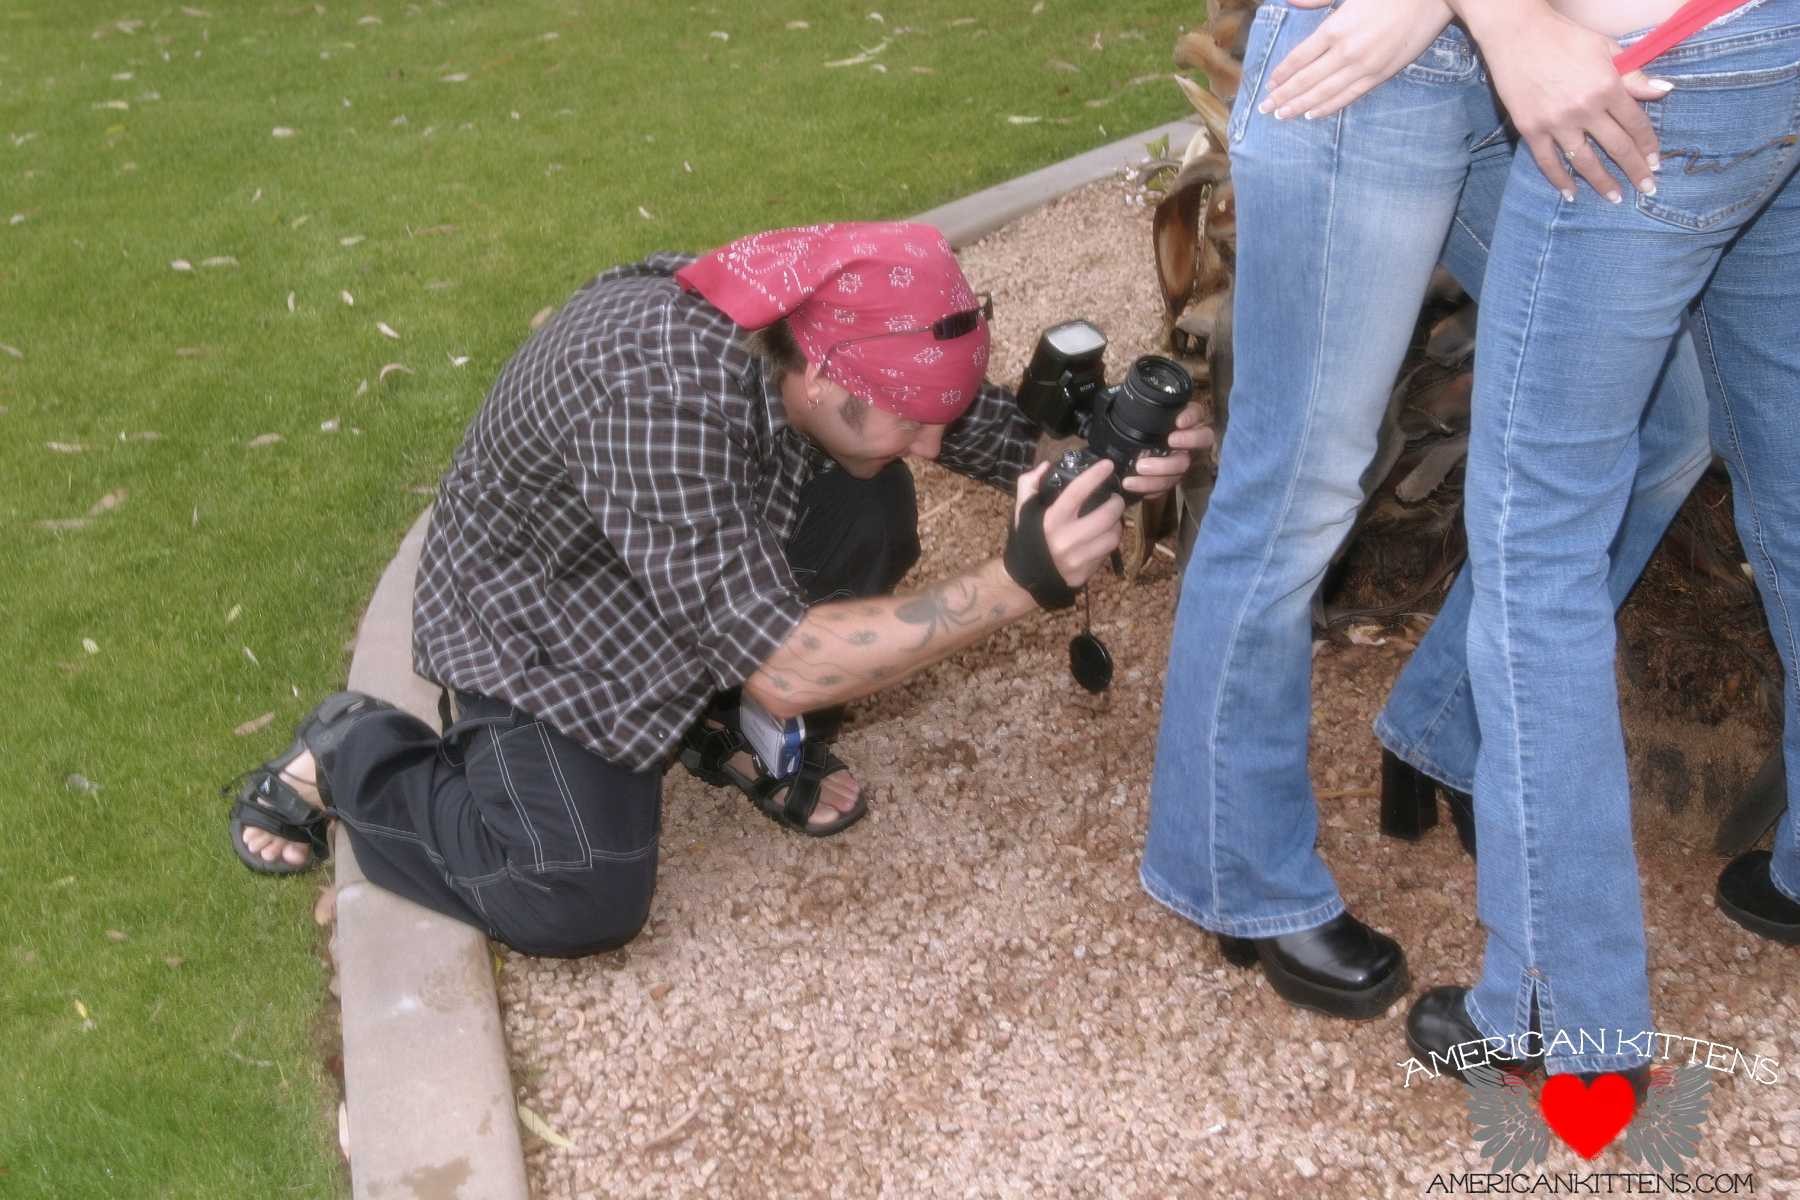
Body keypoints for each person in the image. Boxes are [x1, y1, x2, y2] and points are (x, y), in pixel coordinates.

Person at [224, 221, 1210, 957]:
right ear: (827, 387)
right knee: (577, 896)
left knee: (875, 505)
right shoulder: (650, 390)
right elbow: (787, 665)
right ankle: (356, 748)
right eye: (913, 420)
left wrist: (1094, 464)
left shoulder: (815, 319)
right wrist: (1019, 580)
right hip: (540, 619)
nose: (932, 441)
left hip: (670, 547)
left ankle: (716, 727)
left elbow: (960, 419)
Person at [1141, 0, 1715, 1021]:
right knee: (1296, 492)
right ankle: (1238, 870)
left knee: (1668, 420)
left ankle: (1442, 728)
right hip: (1372, 63)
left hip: (1549, 59)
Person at [1399, 0, 1800, 1083]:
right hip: (1774, 42)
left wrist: (1506, 20)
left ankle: (1563, 1014)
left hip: (1649, 69)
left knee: (1537, 557)